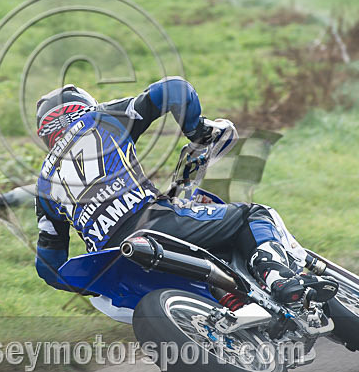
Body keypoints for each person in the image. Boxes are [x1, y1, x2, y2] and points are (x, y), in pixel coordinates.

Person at [35, 78, 307, 307]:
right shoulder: (100, 119)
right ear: (81, 109)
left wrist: (93, 288)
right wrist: (197, 131)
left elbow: (48, 266)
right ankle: (277, 276)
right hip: (151, 222)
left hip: (108, 262)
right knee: (252, 215)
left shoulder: (44, 183)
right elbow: (175, 89)